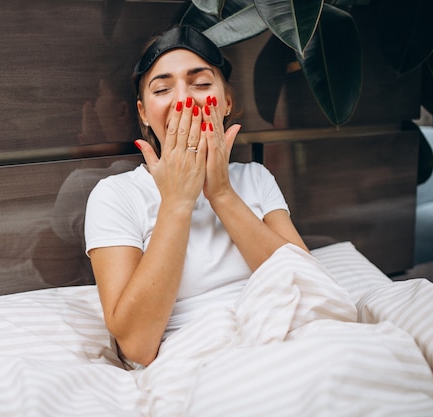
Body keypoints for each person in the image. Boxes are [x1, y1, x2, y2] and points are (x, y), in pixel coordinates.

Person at [84, 26, 308, 367]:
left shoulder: (256, 179)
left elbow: (310, 288)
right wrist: (177, 203)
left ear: (227, 102)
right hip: (198, 359)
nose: (183, 100)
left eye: (201, 84)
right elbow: (137, 345)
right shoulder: (116, 195)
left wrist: (221, 193)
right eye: (162, 88)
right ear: (143, 113)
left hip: (293, 338)